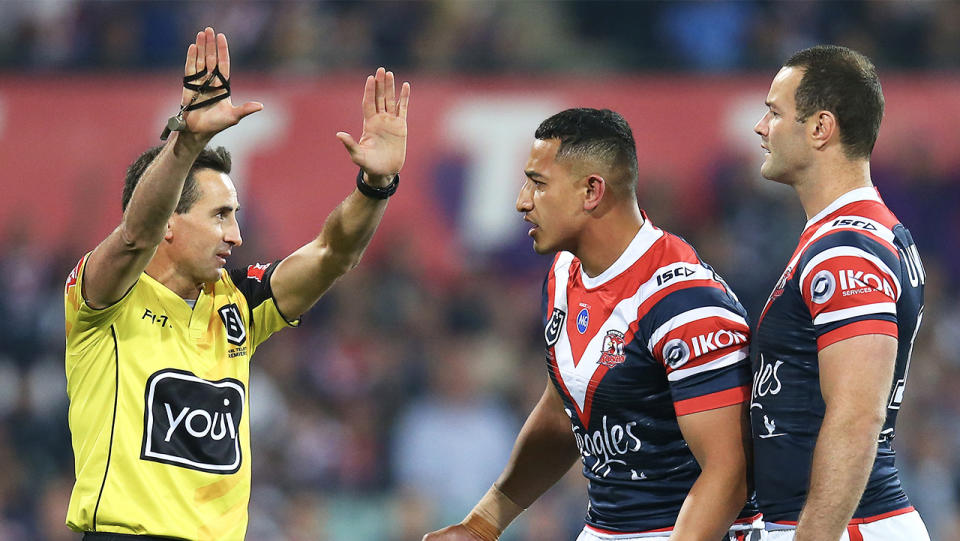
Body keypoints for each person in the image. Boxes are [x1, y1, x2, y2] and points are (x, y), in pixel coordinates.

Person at [63, 27, 410, 540]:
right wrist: (189, 140)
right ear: (170, 223)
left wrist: (375, 186)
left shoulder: (236, 304)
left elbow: (333, 255)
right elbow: (136, 237)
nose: (237, 234)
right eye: (221, 215)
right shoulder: (104, 296)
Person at [424, 108, 762, 541]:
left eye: (538, 183)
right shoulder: (564, 274)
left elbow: (728, 475)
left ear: (591, 191)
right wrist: (483, 525)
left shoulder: (685, 305)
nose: (522, 200)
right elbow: (565, 408)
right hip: (605, 528)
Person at [749, 45, 930, 540]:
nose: (761, 128)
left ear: (820, 127)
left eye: (774, 112)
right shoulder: (859, 234)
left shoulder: (845, 250)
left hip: (847, 527)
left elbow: (856, 415)